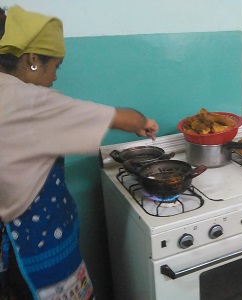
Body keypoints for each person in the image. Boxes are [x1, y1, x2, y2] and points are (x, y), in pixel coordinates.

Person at [0, 5, 158, 299]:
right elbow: (119, 117)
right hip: (34, 247)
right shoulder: (34, 102)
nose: (56, 78)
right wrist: (144, 122)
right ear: (34, 59)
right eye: (56, 66)